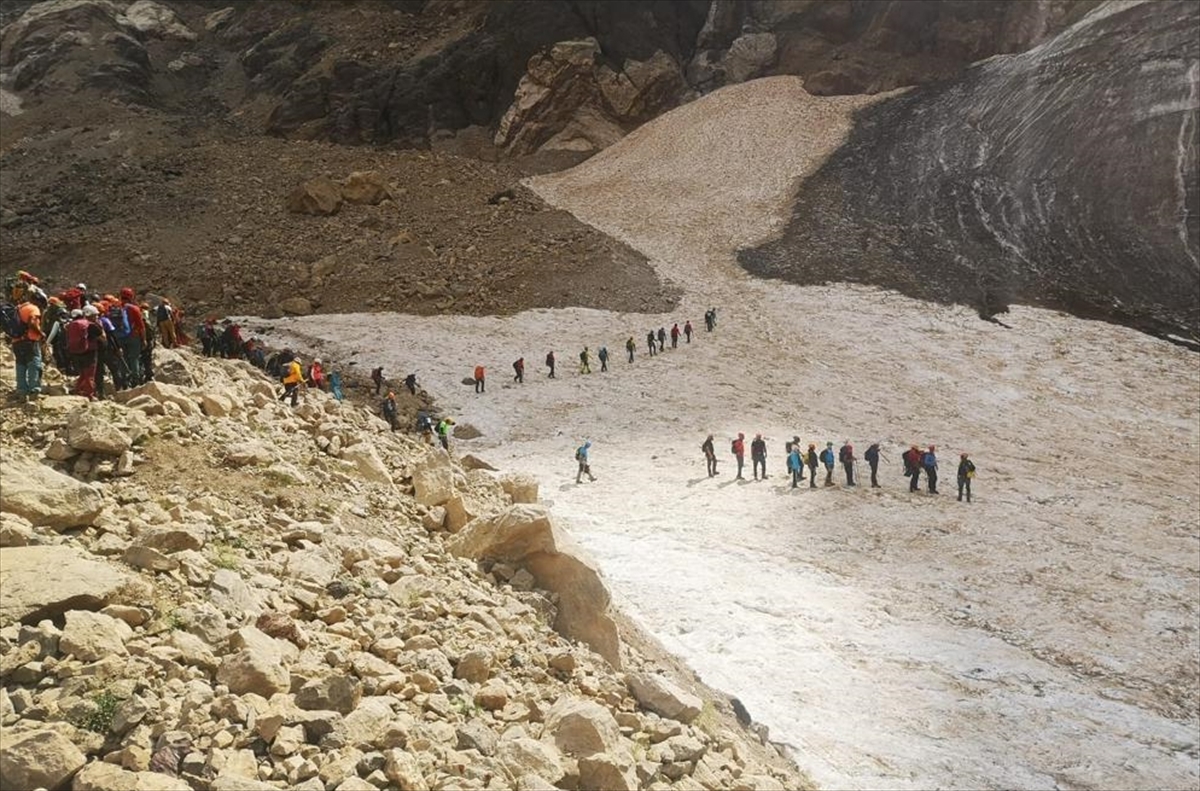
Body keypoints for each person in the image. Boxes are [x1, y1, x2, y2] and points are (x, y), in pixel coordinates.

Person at [9, 291, 44, 398]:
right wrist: (41, 333)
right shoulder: (33, 308)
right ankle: (34, 390)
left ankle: (21, 390)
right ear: (36, 300)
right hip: (30, 341)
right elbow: (32, 323)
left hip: (16, 341)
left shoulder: (19, 308)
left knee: (21, 365)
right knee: (34, 364)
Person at [68, 307, 101, 399]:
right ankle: (89, 394)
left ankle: (77, 390)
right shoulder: (91, 325)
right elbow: (100, 333)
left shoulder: (72, 324)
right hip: (90, 352)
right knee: (90, 374)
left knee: (83, 373)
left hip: (77, 352)